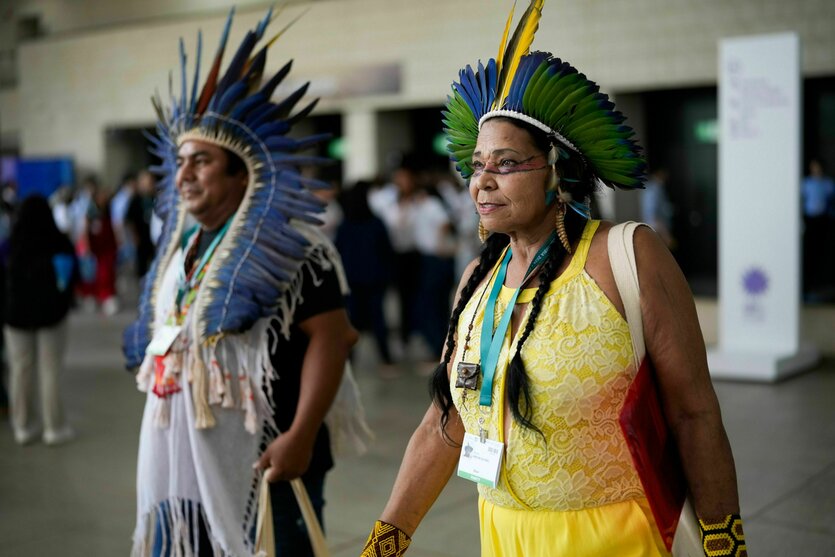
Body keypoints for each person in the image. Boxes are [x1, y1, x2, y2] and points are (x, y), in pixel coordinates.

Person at [360, 2, 746, 556]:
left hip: (613, 537)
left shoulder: (627, 256)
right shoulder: (476, 279)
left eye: (507, 163)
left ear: (557, 172)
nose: (482, 182)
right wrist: (384, 544)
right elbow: (443, 423)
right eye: (476, 164)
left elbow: (694, 412)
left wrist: (725, 544)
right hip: (503, 533)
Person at [123, 9, 370, 557]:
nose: (183, 174)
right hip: (185, 448)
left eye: (201, 162)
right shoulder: (183, 249)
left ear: (244, 173)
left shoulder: (298, 248)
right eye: (180, 162)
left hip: (275, 449)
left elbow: (333, 339)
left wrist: (302, 434)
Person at [3, 195, 77, 445]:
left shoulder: (10, 244)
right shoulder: (59, 242)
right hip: (51, 317)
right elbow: (70, 281)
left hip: (15, 318)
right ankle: (53, 428)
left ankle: (23, 427)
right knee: (50, 371)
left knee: (20, 371)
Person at [335, 180, 396, 375]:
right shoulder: (376, 222)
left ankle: (349, 359)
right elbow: (387, 250)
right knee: (378, 319)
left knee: (351, 321)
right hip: (374, 279)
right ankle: (385, 359)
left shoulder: (345, 224)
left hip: (351, 280)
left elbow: (338, 251)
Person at [801, 158, 835, 298]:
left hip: (823, 220)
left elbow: (831, 202)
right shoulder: (806, 183)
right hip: (809, 220)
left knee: (821, 253)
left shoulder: (828, 184)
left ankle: (818, 286)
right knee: (810, 252)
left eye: (818, 167)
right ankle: (807, 287)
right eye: (813, 167)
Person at [124, 169, 157, 278]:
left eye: (150, 182)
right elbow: (129, 220)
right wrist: (134, 236)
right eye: (146, 182)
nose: (149, 185)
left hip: (155, 241)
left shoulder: (156, 198)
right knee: (141, 268)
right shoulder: (135, 199)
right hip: (141, 239)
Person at [641, 167, 676, 249]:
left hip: (660, 231)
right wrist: (666, 235)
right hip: (659, 232)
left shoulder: (656, 188)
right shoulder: (654, 190)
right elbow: (653, 216)